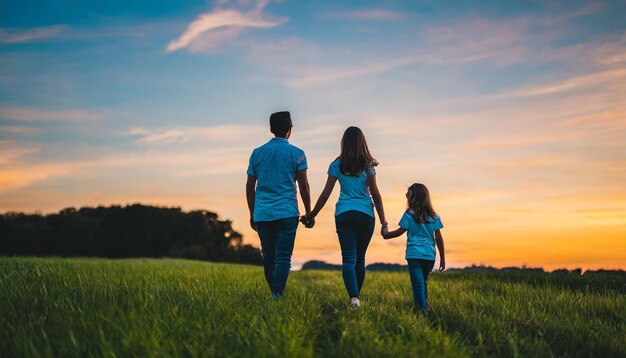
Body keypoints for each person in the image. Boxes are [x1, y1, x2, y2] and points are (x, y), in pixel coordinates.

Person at [302, 126, 386, 308]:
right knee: (360, 258)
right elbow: (376, 194)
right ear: (362, 142)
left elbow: (326, 194)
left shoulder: (336, 164)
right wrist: (383, 221)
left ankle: (354, 298)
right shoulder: (369, 165)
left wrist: (311, 215)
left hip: (344, 214)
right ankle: (356, 298)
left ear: (344, 143)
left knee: (348, 258)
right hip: (365, 214)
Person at [246, 111, 313, 300]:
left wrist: (252, 213)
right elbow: (304, 186)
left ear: (271, 129)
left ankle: (275, 294)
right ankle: (277, 295)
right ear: (289, 130)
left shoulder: (257, 153)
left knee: (269, 257)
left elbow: (250, 187)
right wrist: (308, 212)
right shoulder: (297, 154)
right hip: (287, 212)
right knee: (283, 257)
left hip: (263, 213)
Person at [381, 183, 446, 315]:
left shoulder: (409, 214)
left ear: (412, 197)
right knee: (423, 283)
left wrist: (386, 234)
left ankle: (422, 311)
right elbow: (439, 238)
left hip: (414, 255)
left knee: (418, 285)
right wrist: (443, 259)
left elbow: (400, 231)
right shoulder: (434, 217)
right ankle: (424, 307)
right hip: (429, 256)